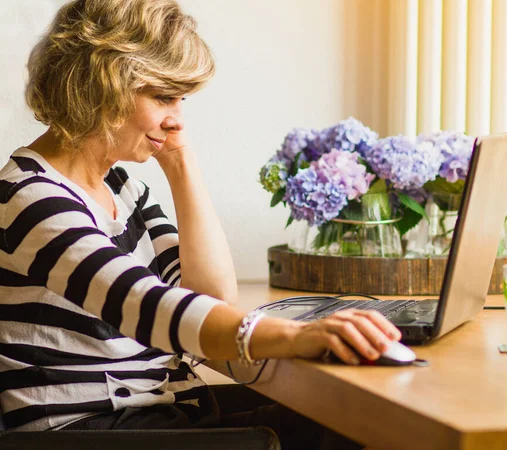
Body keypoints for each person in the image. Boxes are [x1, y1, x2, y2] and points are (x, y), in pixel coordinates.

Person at [0, 0, 401, 448]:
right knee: (347, 431)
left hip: (151, 411)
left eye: (181, 100)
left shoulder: (121, 188)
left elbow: (208, 299)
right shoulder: (29, 198)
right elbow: (147, 307)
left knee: (345, 419)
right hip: (85, 430)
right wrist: (295, 335)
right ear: (103, 85)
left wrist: (180, 161)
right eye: (164, 97)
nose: (178, 120)